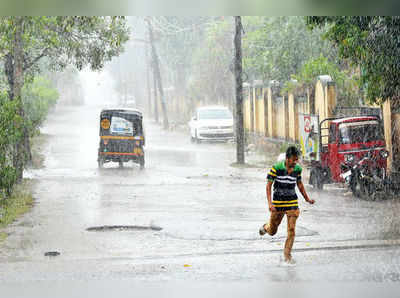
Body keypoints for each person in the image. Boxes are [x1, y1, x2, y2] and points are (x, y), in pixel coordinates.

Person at [259, 146, 315, 265]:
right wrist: (270, 203)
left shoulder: (297, 169)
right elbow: (269, 186)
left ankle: (287, 255)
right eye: (293, 160)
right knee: (273, 231)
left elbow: (299, 185)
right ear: (287, 159)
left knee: (291, 230)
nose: (295, 162)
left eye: (297, 160)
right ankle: (266, 227)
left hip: (292, 204)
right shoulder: (276, 168)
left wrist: (307, 199)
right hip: (278, 205)